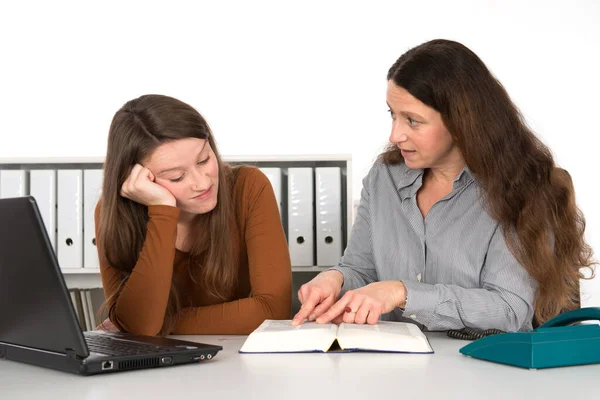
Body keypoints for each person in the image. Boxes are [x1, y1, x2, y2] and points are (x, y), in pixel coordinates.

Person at [292, 39, 595, 332]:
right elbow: (361, 269)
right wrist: (335, 279)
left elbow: (510, 309)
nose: (395, 134)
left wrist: (403, 293)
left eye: (412, 120)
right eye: (393, 114)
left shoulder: (522, 188)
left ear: (460, 122)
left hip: (485, 373)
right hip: (392, 369)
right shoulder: (383, 177)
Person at [96, 94, 291, 336]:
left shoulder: (248, 187)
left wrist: (164, 324)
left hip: (233, 361)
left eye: (204, 160)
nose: (202, 183)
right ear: (138, 178)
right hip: (153, 369)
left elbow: (273, 310)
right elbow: (140, 325)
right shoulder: (114, 214)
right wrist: (162, 211)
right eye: (176, 177)